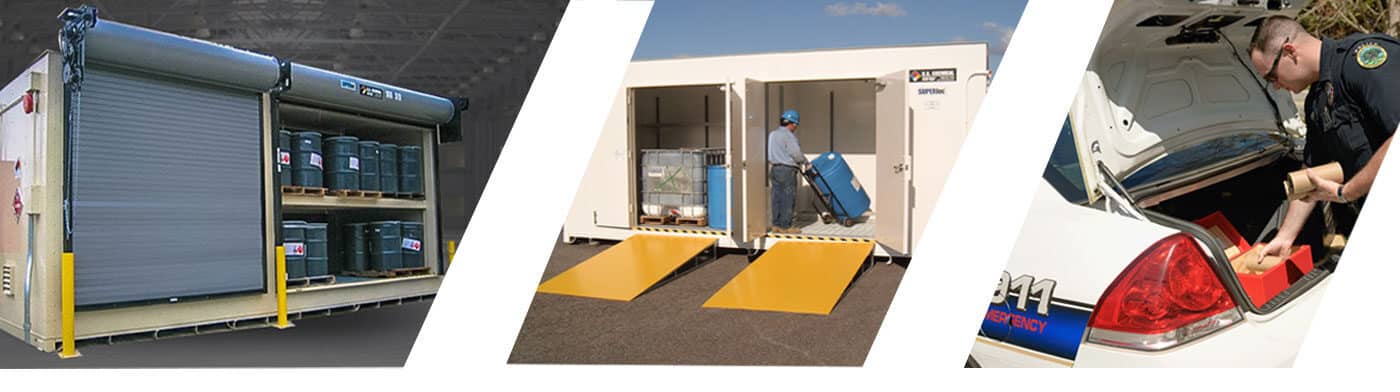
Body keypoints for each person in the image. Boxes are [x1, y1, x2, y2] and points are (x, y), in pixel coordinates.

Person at [1248, 16, 1396, 260]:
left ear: (1289, 52)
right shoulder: (1317, 101)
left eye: (1271, 76)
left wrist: (1347, 192)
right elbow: (1313, 170)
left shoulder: (1362, 61)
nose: (1275, 87)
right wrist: (1285, 237)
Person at [768, 109, 809, 234]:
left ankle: (776, 224)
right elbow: (796, 153)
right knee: (788, 197)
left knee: (776, 197)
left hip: (774, 169)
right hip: (787, 170)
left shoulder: (773, 134)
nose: (795, 127)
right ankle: (786, 226)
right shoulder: (789, 136)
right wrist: (805, 162)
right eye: (796, 124)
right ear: (791, 123)